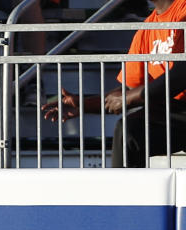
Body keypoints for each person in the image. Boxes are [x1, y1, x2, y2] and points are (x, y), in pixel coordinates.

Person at [41, 0, 186, 168]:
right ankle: (124, 193)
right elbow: (130, 88)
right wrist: (84, 104)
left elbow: (181, 74)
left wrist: (130, 98)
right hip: (172, 111)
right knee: (129, 130)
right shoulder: (148, 27)